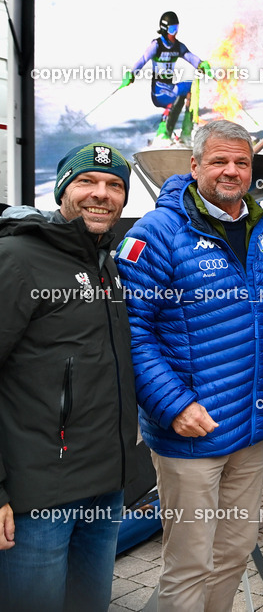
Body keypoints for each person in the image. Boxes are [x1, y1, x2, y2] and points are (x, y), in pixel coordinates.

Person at [117, 119, 263, 612]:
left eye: (241, 161)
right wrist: (173, 405)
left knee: (233, 552)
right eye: (218, 161)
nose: (231, 171)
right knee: (189, 563)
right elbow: (132, 329)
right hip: (189, 430)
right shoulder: (158, 233)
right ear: (195, 166)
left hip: (250, 427)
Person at [0, 143, 137, 612]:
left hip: (104, 488)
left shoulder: (106, 264)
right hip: (38, 498)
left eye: (114, 185)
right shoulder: (17, 258)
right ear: (63, 190)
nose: (101, 194)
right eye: (86, 182)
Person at [120, 11, 213, 145]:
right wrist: (131, 74)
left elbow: (189, 56)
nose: (175, 33)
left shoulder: (178, 46)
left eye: (177, 29)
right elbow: (143, 59)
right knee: (181, 92)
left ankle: (187, 132)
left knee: (191, 87)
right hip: (159, 90)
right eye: (172, 29)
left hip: (170, 88)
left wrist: (201, 64)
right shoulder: (156, 46)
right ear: (164, 29)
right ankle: (163, 134)